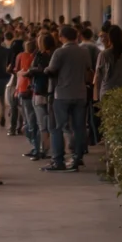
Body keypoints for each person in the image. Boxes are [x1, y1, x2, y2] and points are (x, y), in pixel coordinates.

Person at [44, 25, 93, 172]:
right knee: (79, 128)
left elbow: (51, 70)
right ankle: (77, 158)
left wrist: (44, 70)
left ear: (62, 37)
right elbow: (88, 69)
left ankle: (58, 160)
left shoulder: (60, 52)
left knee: (57, 128)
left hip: (62, 94)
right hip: (80, 93)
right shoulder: (84, 52)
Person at [26, 33, 57, 162]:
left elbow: (34, 70)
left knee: (41, 124)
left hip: (39, 91)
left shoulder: (39, 56)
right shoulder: (56, 55)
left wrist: (31, 72)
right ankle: (52, 149)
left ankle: (43, 150)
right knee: (52, 124)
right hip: (52, 92)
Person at [94, 25, 122, 101]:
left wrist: (96, 96)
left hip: (107, 92)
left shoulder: (104, 55)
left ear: (109, 37)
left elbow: (98, 76)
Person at [16, 37, 40, 158]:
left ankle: (35, 146)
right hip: (34, 91)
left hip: (24, 90)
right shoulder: (36, 57)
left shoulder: (21, 56)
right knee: (36, 120)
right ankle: (37, 146)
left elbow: (16, 70)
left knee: (29, 119)